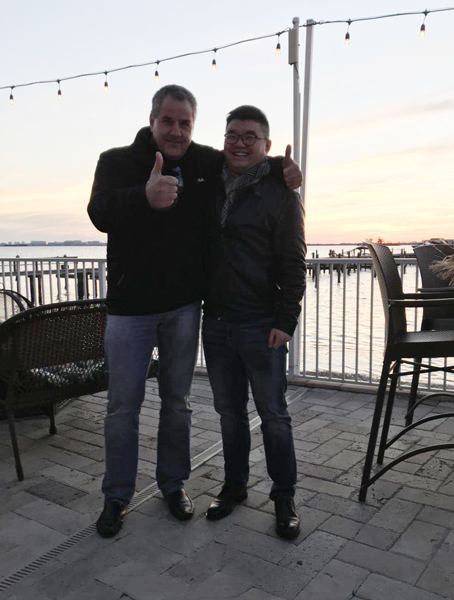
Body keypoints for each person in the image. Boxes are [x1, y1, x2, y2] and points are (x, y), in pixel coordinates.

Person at [87, 85, 301, 538]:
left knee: (178, 404)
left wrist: (282, 168)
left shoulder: (204, 162)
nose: (176, 131)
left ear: (194, 126)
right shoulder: (115, 161)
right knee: (122, 407)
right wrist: (143, 196)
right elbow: (99, 212)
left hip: (185, 309)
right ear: (152, 120)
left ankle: (174, 485)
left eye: (185, 123)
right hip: (129, 311)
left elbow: (247, 161)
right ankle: (117, 496)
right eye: (168, 121)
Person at [202, 105, 306, 540]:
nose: (239, 142)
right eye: (232, 134)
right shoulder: (209, 184)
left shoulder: (281, 195)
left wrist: (286, 320)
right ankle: (235, 485)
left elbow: (294, 264)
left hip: (261, 324)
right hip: (216, 321)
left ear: (266, 144)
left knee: (273, 415)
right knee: (229, 414)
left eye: (250, 136)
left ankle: (284, 496)